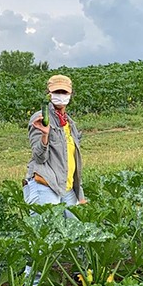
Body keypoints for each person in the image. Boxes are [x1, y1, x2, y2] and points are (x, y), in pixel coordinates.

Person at [23, 73, 86, 214]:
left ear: (70, 95)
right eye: (57, 92)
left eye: (64, 92)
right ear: (49, 94)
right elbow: (39, 157)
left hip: (67, 188)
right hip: (46, 185)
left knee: (73, 231)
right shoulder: (40, 118)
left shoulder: (70, 124)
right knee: (47, 231)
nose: (61, 95)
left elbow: (74, 162)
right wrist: (45, 134)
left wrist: (80, 194)